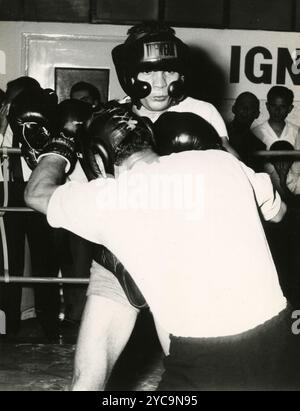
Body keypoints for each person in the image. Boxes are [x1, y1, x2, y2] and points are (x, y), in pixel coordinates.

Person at [24, 104, 300, 390]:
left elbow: (36, 194)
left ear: (98, 157)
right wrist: (223, 153)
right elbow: (278, 212)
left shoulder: (110, 197)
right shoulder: (222, 163)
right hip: (285, 351)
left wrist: (61, 144)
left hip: (205, 366)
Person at [0, 78, 61, 341]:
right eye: (10, 100)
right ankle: (8, 325)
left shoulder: (44, 124)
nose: (13, 105)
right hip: (7, 192)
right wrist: (1, 127)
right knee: (7, 262)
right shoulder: (3, 124)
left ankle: (49, 325)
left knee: (44, 260)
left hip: (38, 192)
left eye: (19, 99)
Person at [227, 92, 266, 171]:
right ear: (234, 109)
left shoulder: (259, 147)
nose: (245, 110)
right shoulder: (218, 135)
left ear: (257, 114)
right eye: (241, 105)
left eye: (250, 107)